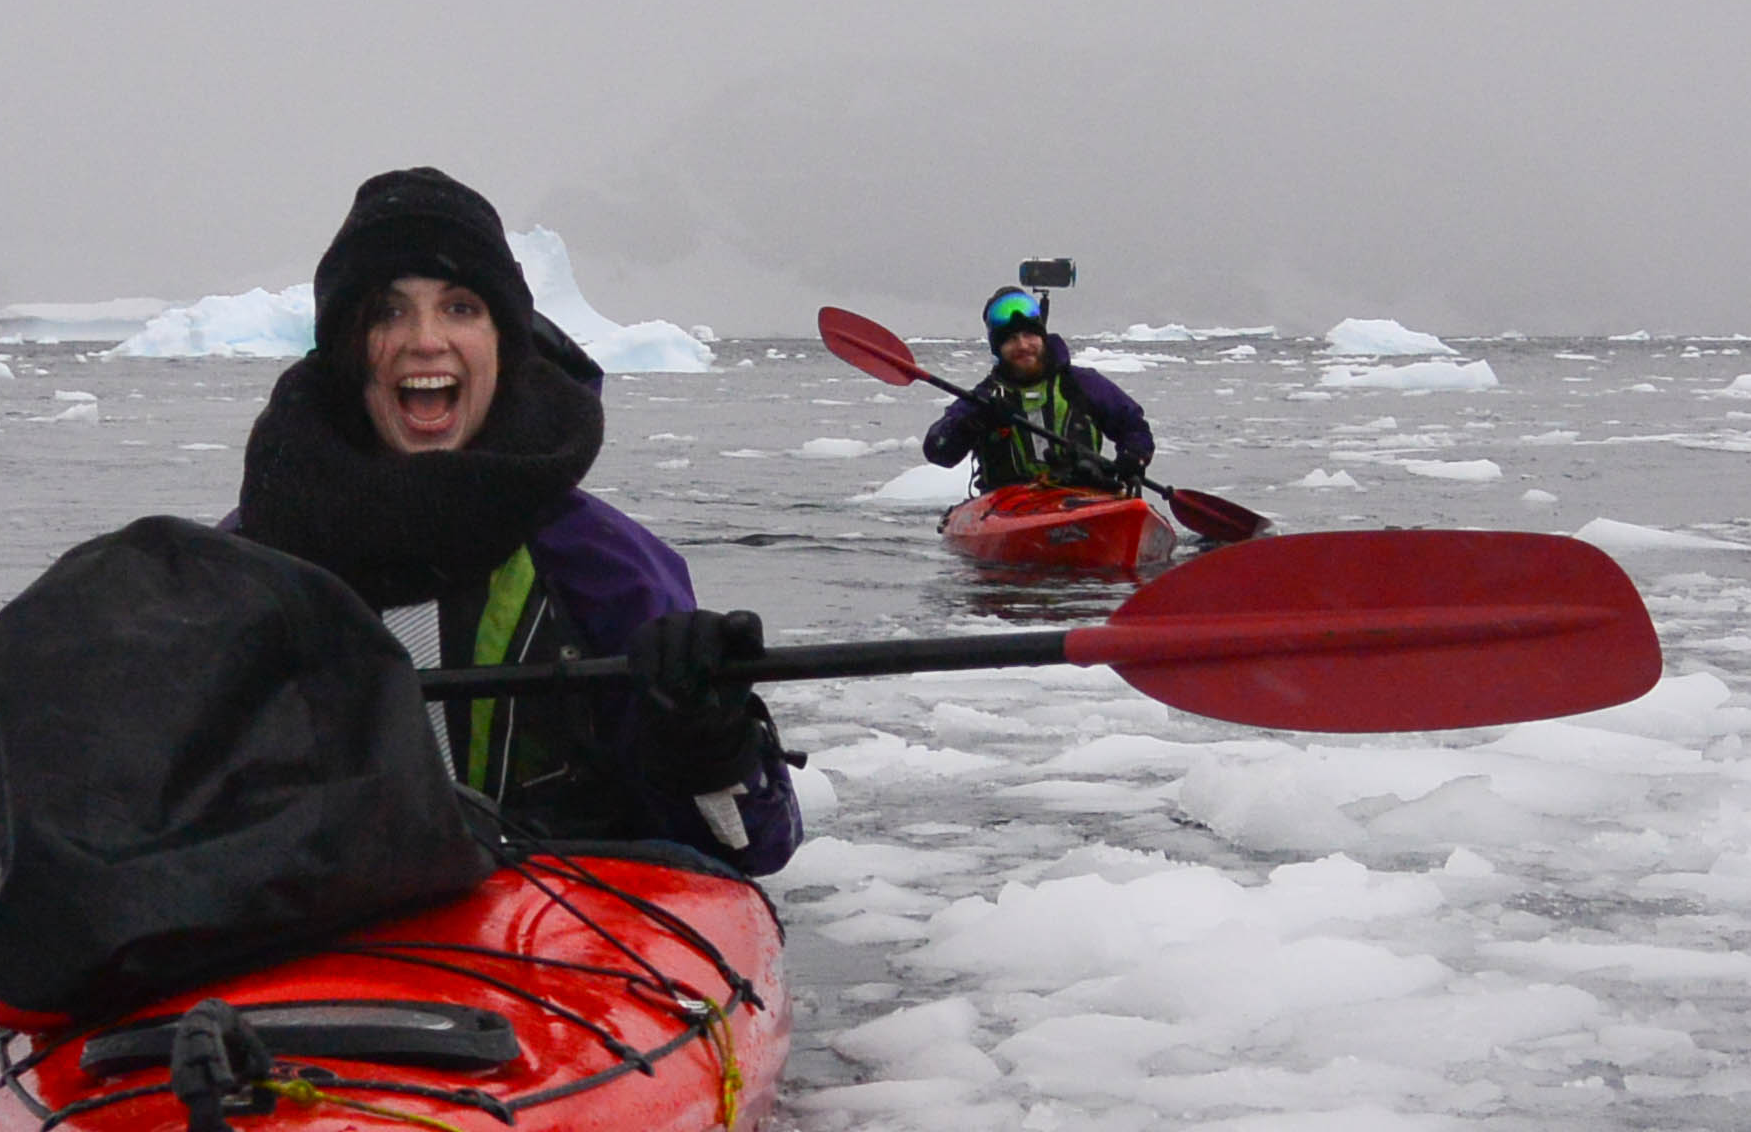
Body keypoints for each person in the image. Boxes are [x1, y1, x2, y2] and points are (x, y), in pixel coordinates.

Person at [227, 168, 797, 876]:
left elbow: (750, 845)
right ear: (346, 351)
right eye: (386, 312)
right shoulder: (242, 567)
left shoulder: (603, 565)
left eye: (461, 308)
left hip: (557, 950)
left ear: (503, 340)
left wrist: (708, 737)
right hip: (308, 951)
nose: (425, 340)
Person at [922, 285, 1156, 496]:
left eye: (1029, 335)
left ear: (1042, 338)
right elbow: (937, 451)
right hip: (1008, 505)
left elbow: (1133, 425)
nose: (1023, 346)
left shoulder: (1082, 384)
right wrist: (973, 422)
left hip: (1082, 494)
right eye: (1011, 340)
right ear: (998, 349)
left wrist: (1135, 456)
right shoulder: (985, 399)